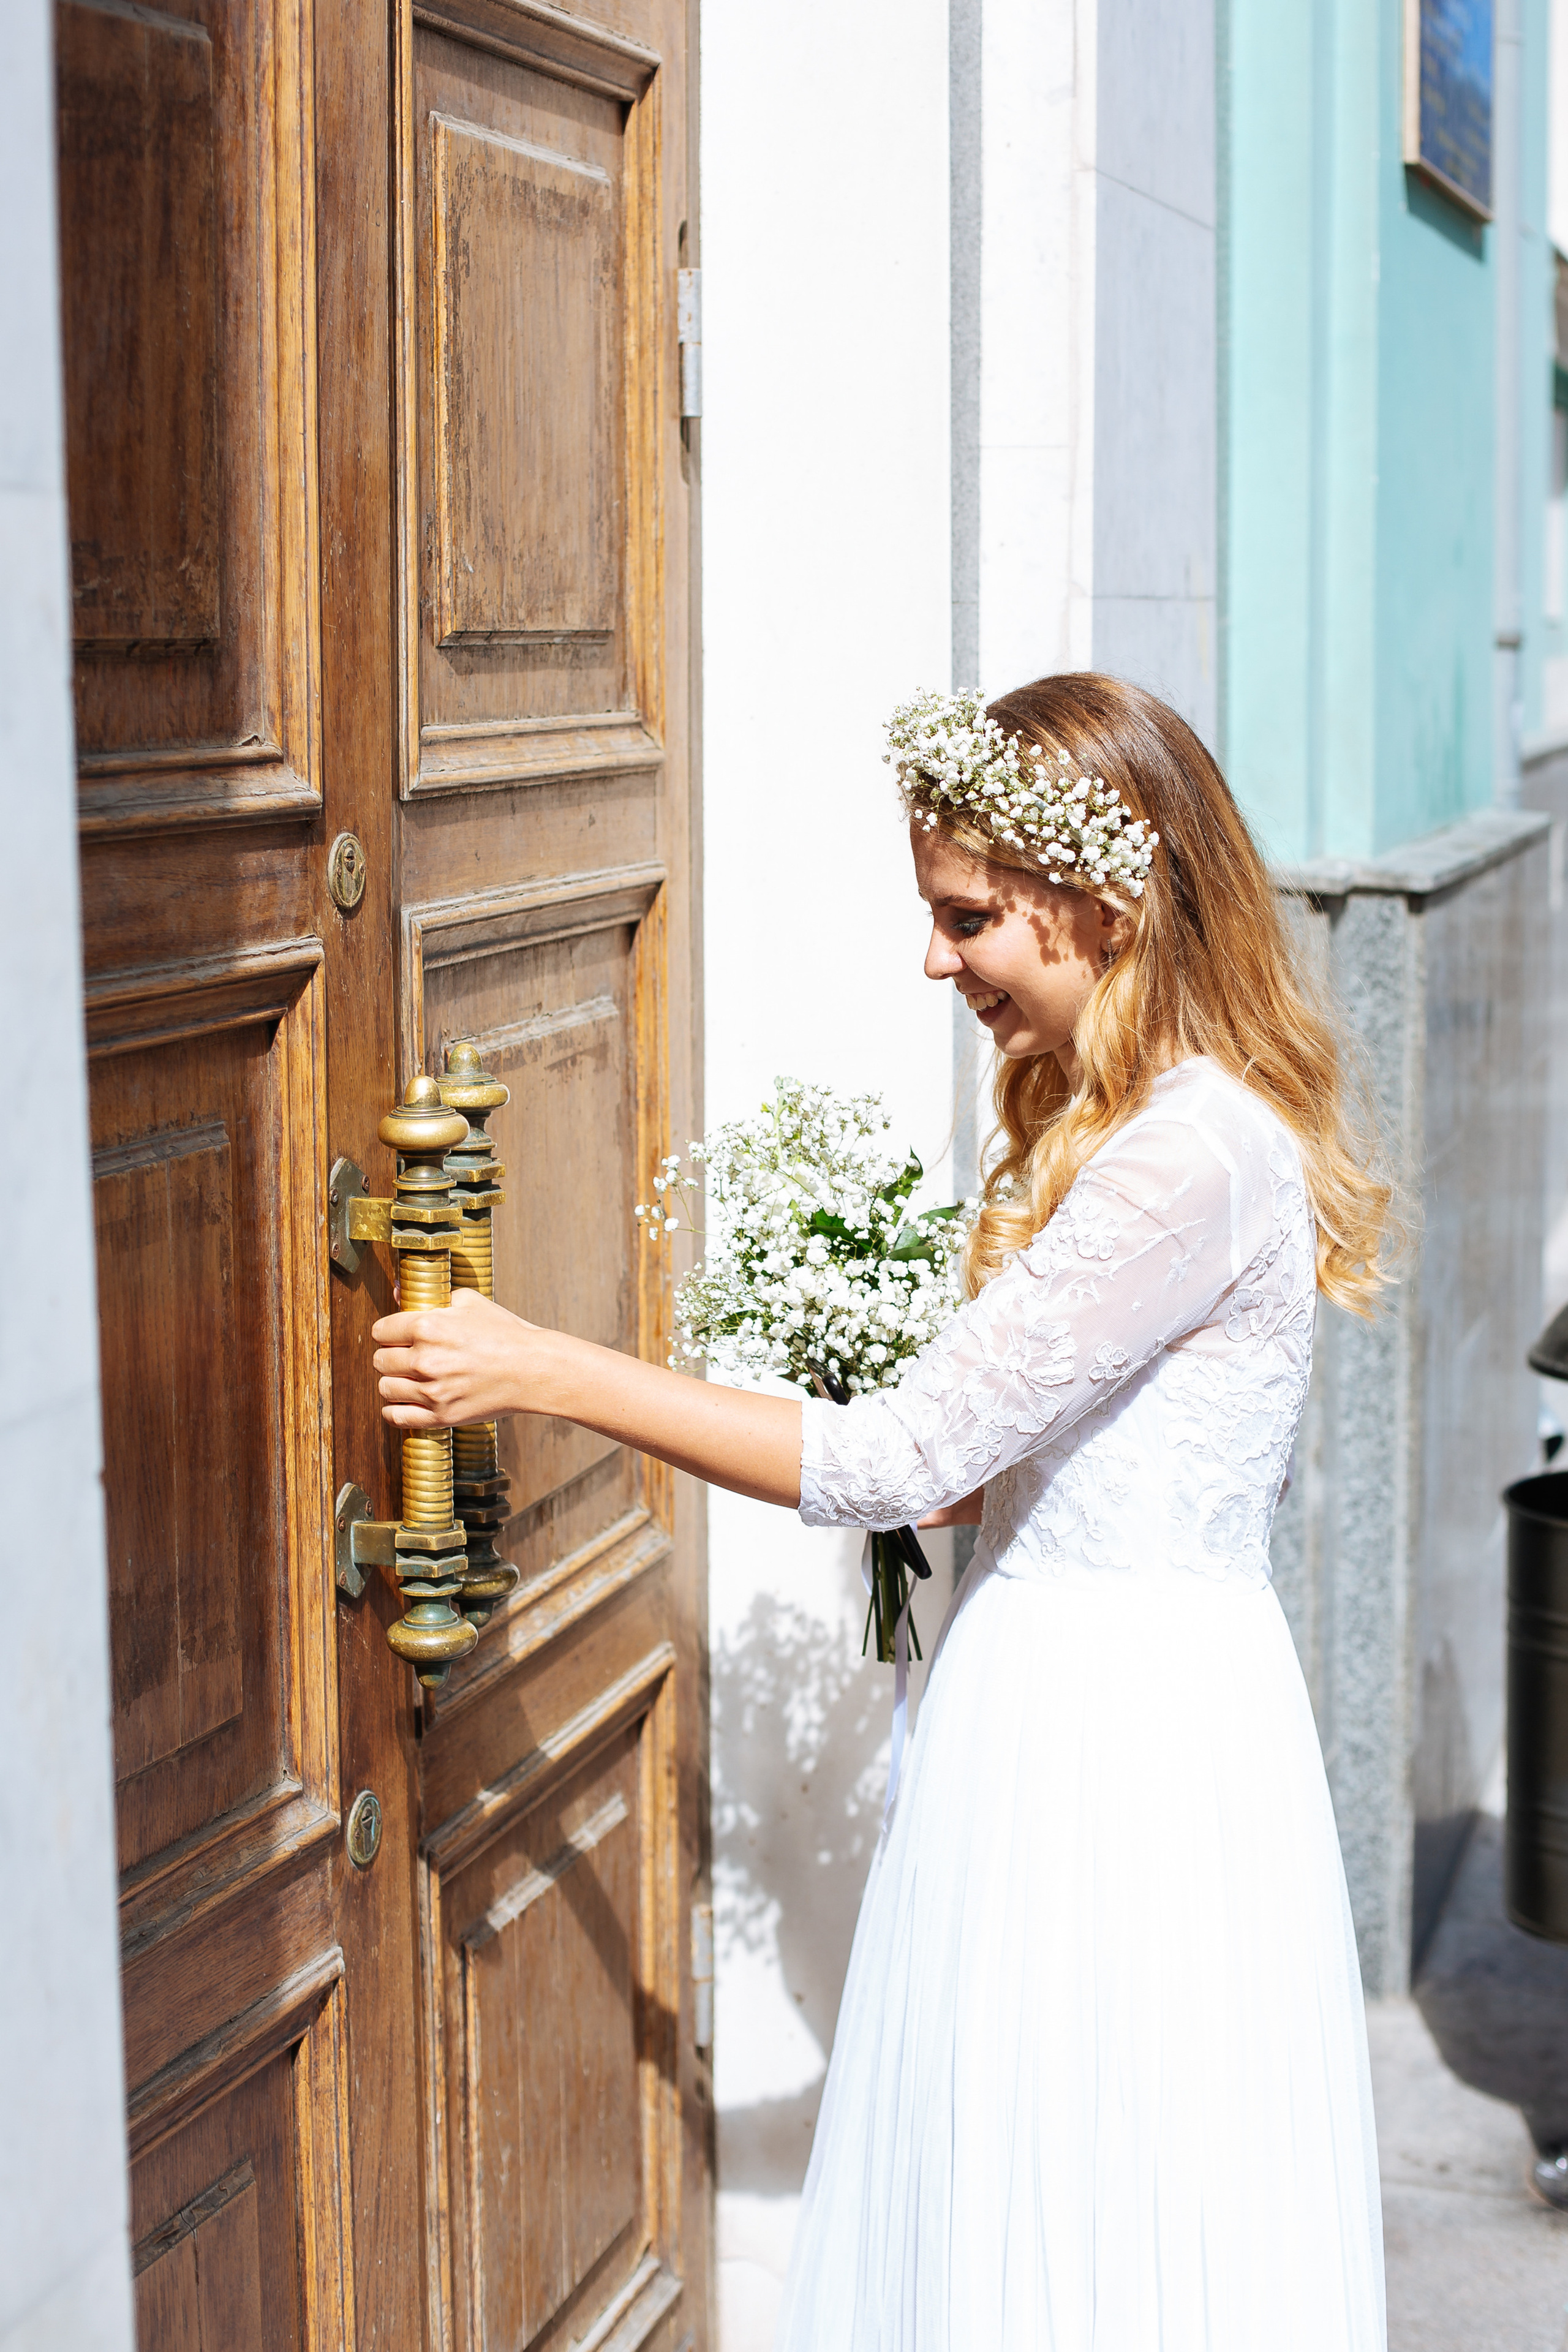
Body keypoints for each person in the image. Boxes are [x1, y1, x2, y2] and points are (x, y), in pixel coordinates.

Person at [372, 673, 1391, 2351]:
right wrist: (904, 1580)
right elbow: (986, 1480)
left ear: (1097, 898)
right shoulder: (1124, 1126)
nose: (937, 961)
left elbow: (900, 1463)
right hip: (1059, 1709)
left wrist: (533, 1364)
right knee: (1037, 2191)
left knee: (1088, 2194)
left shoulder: (1183, 1162)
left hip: (1116, 1753)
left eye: (967, 916)